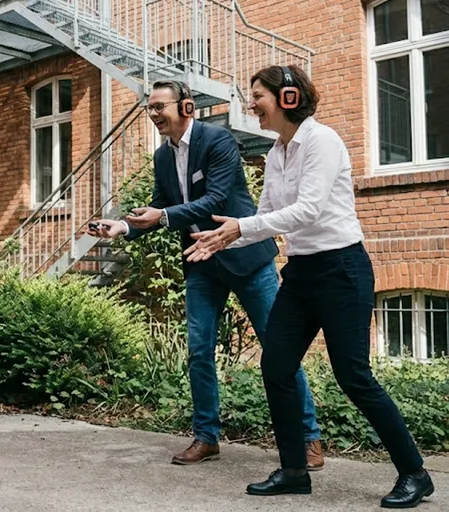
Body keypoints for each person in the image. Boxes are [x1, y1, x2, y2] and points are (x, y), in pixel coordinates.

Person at [184, 65, 434, 508]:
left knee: (353, 376)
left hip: (342, 271)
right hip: (300, 274)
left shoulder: (323, 141)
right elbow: (265, 216)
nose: (251, 105)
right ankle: (294, 471)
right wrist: (225, 237)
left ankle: (415, 473)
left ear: (288, 98)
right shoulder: (276, 153)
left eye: (258, 96)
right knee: (277, 367)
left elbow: (309, 210)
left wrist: (241, 227)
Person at [87, 80, 324, 468]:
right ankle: (206, 437)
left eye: (160, 106)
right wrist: (124, 227)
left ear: (186, 107)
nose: (153, 114)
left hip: (246, 258)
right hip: (201, 262)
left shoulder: (218, 141)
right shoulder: (163, 157)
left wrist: (163, 216)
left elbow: (214, 199)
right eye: (150, 108)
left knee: (279, 346)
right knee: (199, 349)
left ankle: (308, 437)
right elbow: (161, 207)